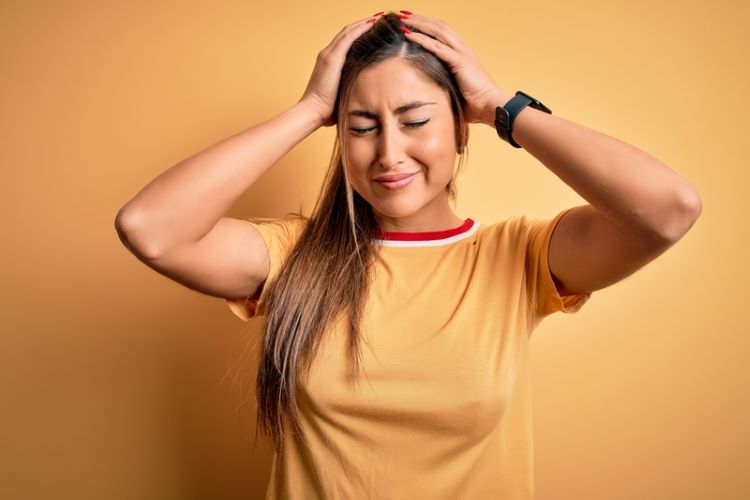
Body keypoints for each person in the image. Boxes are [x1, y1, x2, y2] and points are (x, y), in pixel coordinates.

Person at [114, 10, 702, 499]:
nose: (389, 152)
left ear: (460, 129)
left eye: (415, 120)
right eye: (362, 126)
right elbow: (151, 229)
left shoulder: (518, 256)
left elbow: (669, 207)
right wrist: (311, 109)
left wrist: (504, 105)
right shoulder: (293, 257)